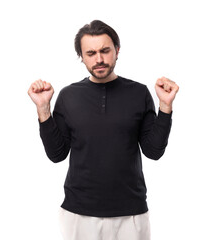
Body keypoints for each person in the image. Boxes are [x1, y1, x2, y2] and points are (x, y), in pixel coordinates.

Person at [27, 20, 179, 240]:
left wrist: (165, 106)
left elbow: (153, 152)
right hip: (78, 213)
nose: (99, 59)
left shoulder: (139, 93)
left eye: (105, 51)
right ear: (81, 56)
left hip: (131, 214)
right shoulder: (69, 96)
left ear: (117, 51)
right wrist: (43, 109)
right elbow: (56, 155)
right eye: (91, 53)